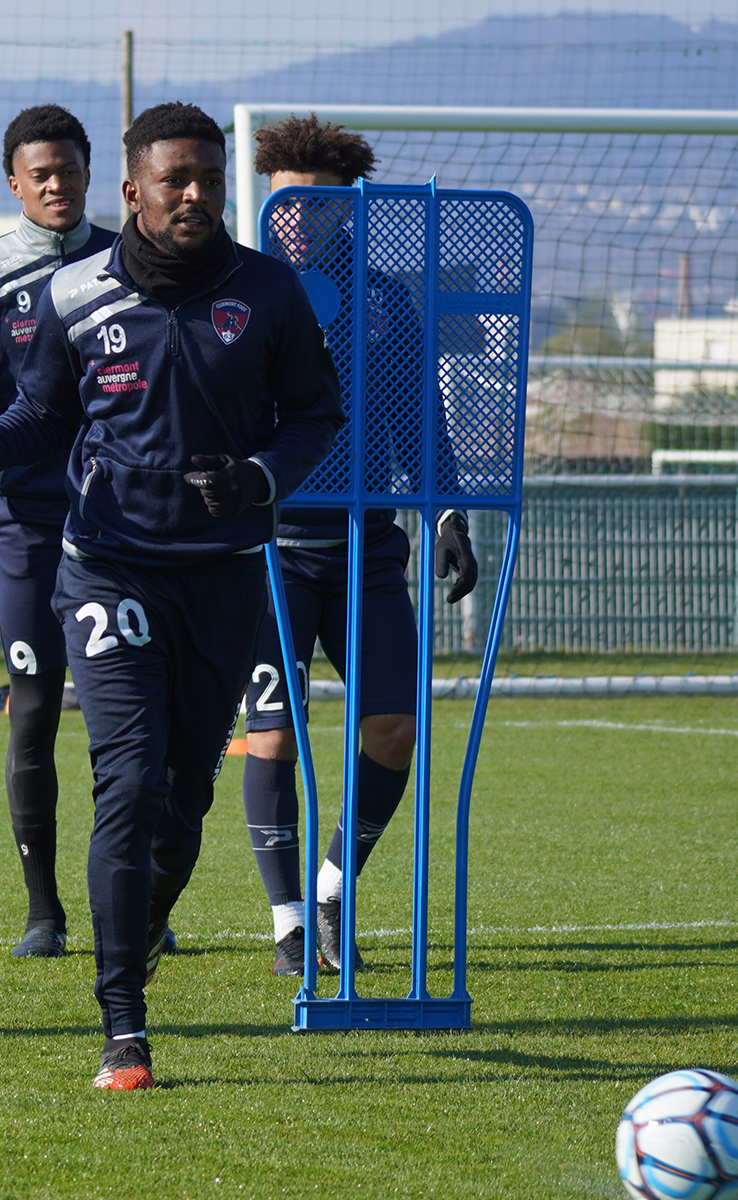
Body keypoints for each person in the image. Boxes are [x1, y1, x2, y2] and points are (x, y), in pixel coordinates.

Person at [0, 102, 344, 1089]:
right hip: (105, 564)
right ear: (132, 192)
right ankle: (123, 1029)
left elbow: (316, 414)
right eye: (174, 180)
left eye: (207, 180)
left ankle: (137, 936)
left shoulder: (267, 293)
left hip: (222, 576)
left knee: (184, 805)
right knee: (128, 784)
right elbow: (36, 422)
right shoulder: (73, 294)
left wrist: (262, 477)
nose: (194, 196)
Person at [240, 114, 480, 977]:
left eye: (319, 202)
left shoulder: (384, 299)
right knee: (273, 736)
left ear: (350, 209)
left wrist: (449, 516)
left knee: (392, 730)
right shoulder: (238, 292)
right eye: (286, 202)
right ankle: (289, 922)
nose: (300, 216)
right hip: (266, 550)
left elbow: (421, 419)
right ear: (264, 203)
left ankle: (337, 889)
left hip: (367, 549)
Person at [0, 106, 116, 958]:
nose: (54, 183)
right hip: (29, 529)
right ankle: (44, 912)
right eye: (39, 172)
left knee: (129, 721)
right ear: (14, 181)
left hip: (125, 529)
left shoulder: (130, 261)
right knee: (33, 710)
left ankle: (137, 899)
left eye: (67, 169)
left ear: (89, 172)